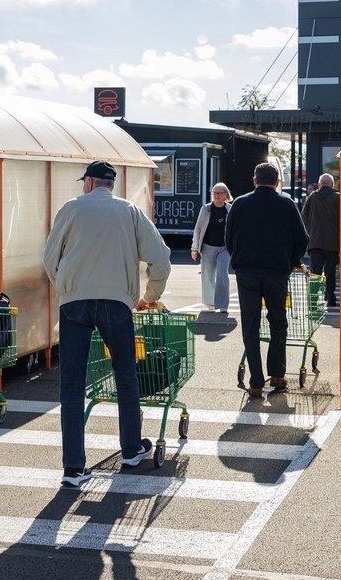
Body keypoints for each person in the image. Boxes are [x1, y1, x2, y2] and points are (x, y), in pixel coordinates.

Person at [42, 161, 171, 488]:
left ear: (88, 182)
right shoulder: (129, 211)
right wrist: (148, 296)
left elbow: (48, 259)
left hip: (74, 302)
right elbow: (161, 257)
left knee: (71, 382)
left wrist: (66, 286)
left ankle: (73, 467)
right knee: (126, 375)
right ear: (110, 184)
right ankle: (130, 449)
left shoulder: (71, 209)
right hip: (116, 303)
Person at [226, 163, 309, 398]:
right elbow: (302, 239)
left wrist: (240, 259)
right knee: (278, 322)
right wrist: (292, 260)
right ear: (276, 182)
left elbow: (229, 239)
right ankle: (277, 374)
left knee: (250, 326)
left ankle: (256, 380)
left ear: (254, 180)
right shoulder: (286, 204)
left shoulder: (240, 204)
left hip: (247, 273)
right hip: (276, 273)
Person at [190, 182, 233, 313]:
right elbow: (197, 229)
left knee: (222, 273)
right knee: (208, 276)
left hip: (225, 247)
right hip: (208, 247)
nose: (217, 195)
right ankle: (210, 302)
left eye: (220, 193)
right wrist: (194, 248)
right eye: (214, 193)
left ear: (226, 195)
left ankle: (223, 305)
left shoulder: (230, 209)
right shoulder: (206, 209)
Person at [301, 173, 340, 310]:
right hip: (333, 243)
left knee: (315, 272)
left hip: (315, 242)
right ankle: (331, 299)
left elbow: (303, 217)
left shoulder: (312, 197)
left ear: (319, 184)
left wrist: (311, 232)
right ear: (332, 185)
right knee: (330, 272)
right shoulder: (338, 198)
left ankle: (313, 302)